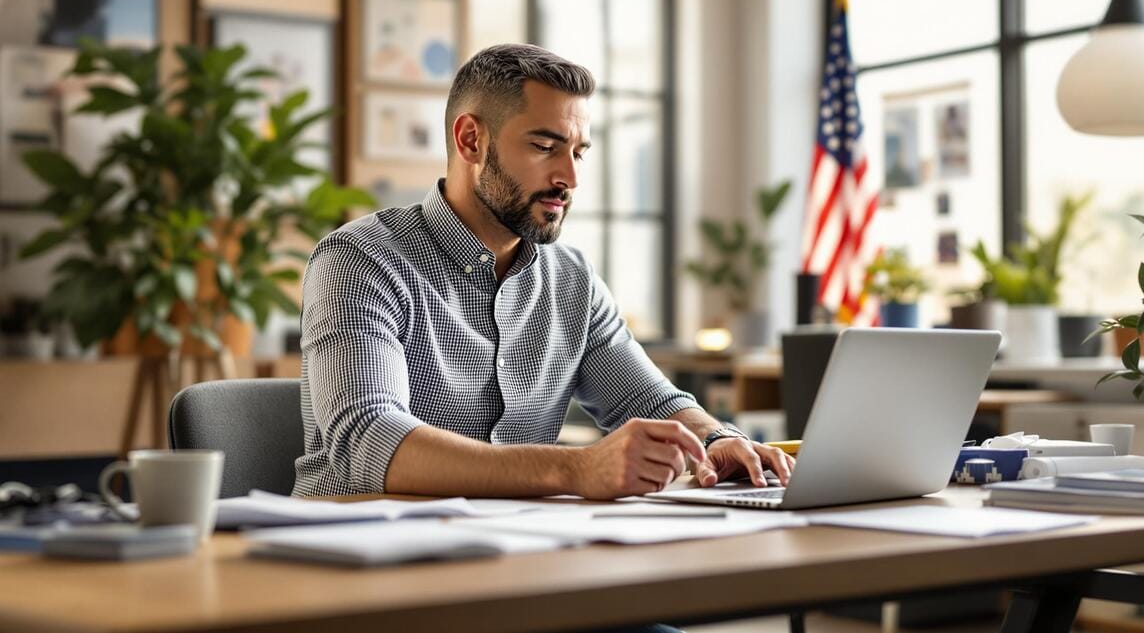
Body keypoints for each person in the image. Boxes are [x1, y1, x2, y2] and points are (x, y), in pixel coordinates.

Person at [293, 43, 794, 500]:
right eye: (544, 146)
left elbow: (648, 398)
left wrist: (717, 440)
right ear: (471, 141)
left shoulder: (572, 278)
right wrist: (576, 469)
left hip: (521, 556)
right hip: (364, 558)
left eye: (577, 152)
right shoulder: (360, 260)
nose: (569, 178)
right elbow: (371, 443)